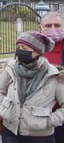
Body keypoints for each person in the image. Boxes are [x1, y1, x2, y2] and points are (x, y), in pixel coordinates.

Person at [0, 32, 64, 143]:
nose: (20, 51)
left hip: (40, 136)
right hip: (10, 131)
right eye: (18, 47)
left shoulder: (53, 75)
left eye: (24, 48)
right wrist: (3, 109)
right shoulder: (11, 67)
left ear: (37, 51)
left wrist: (49, 121)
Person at [39, 11, 64, 143]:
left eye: (57, 25)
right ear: (41, 28)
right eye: (48, 25)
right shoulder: (33, 46)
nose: (53, 29)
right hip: (39, 114)